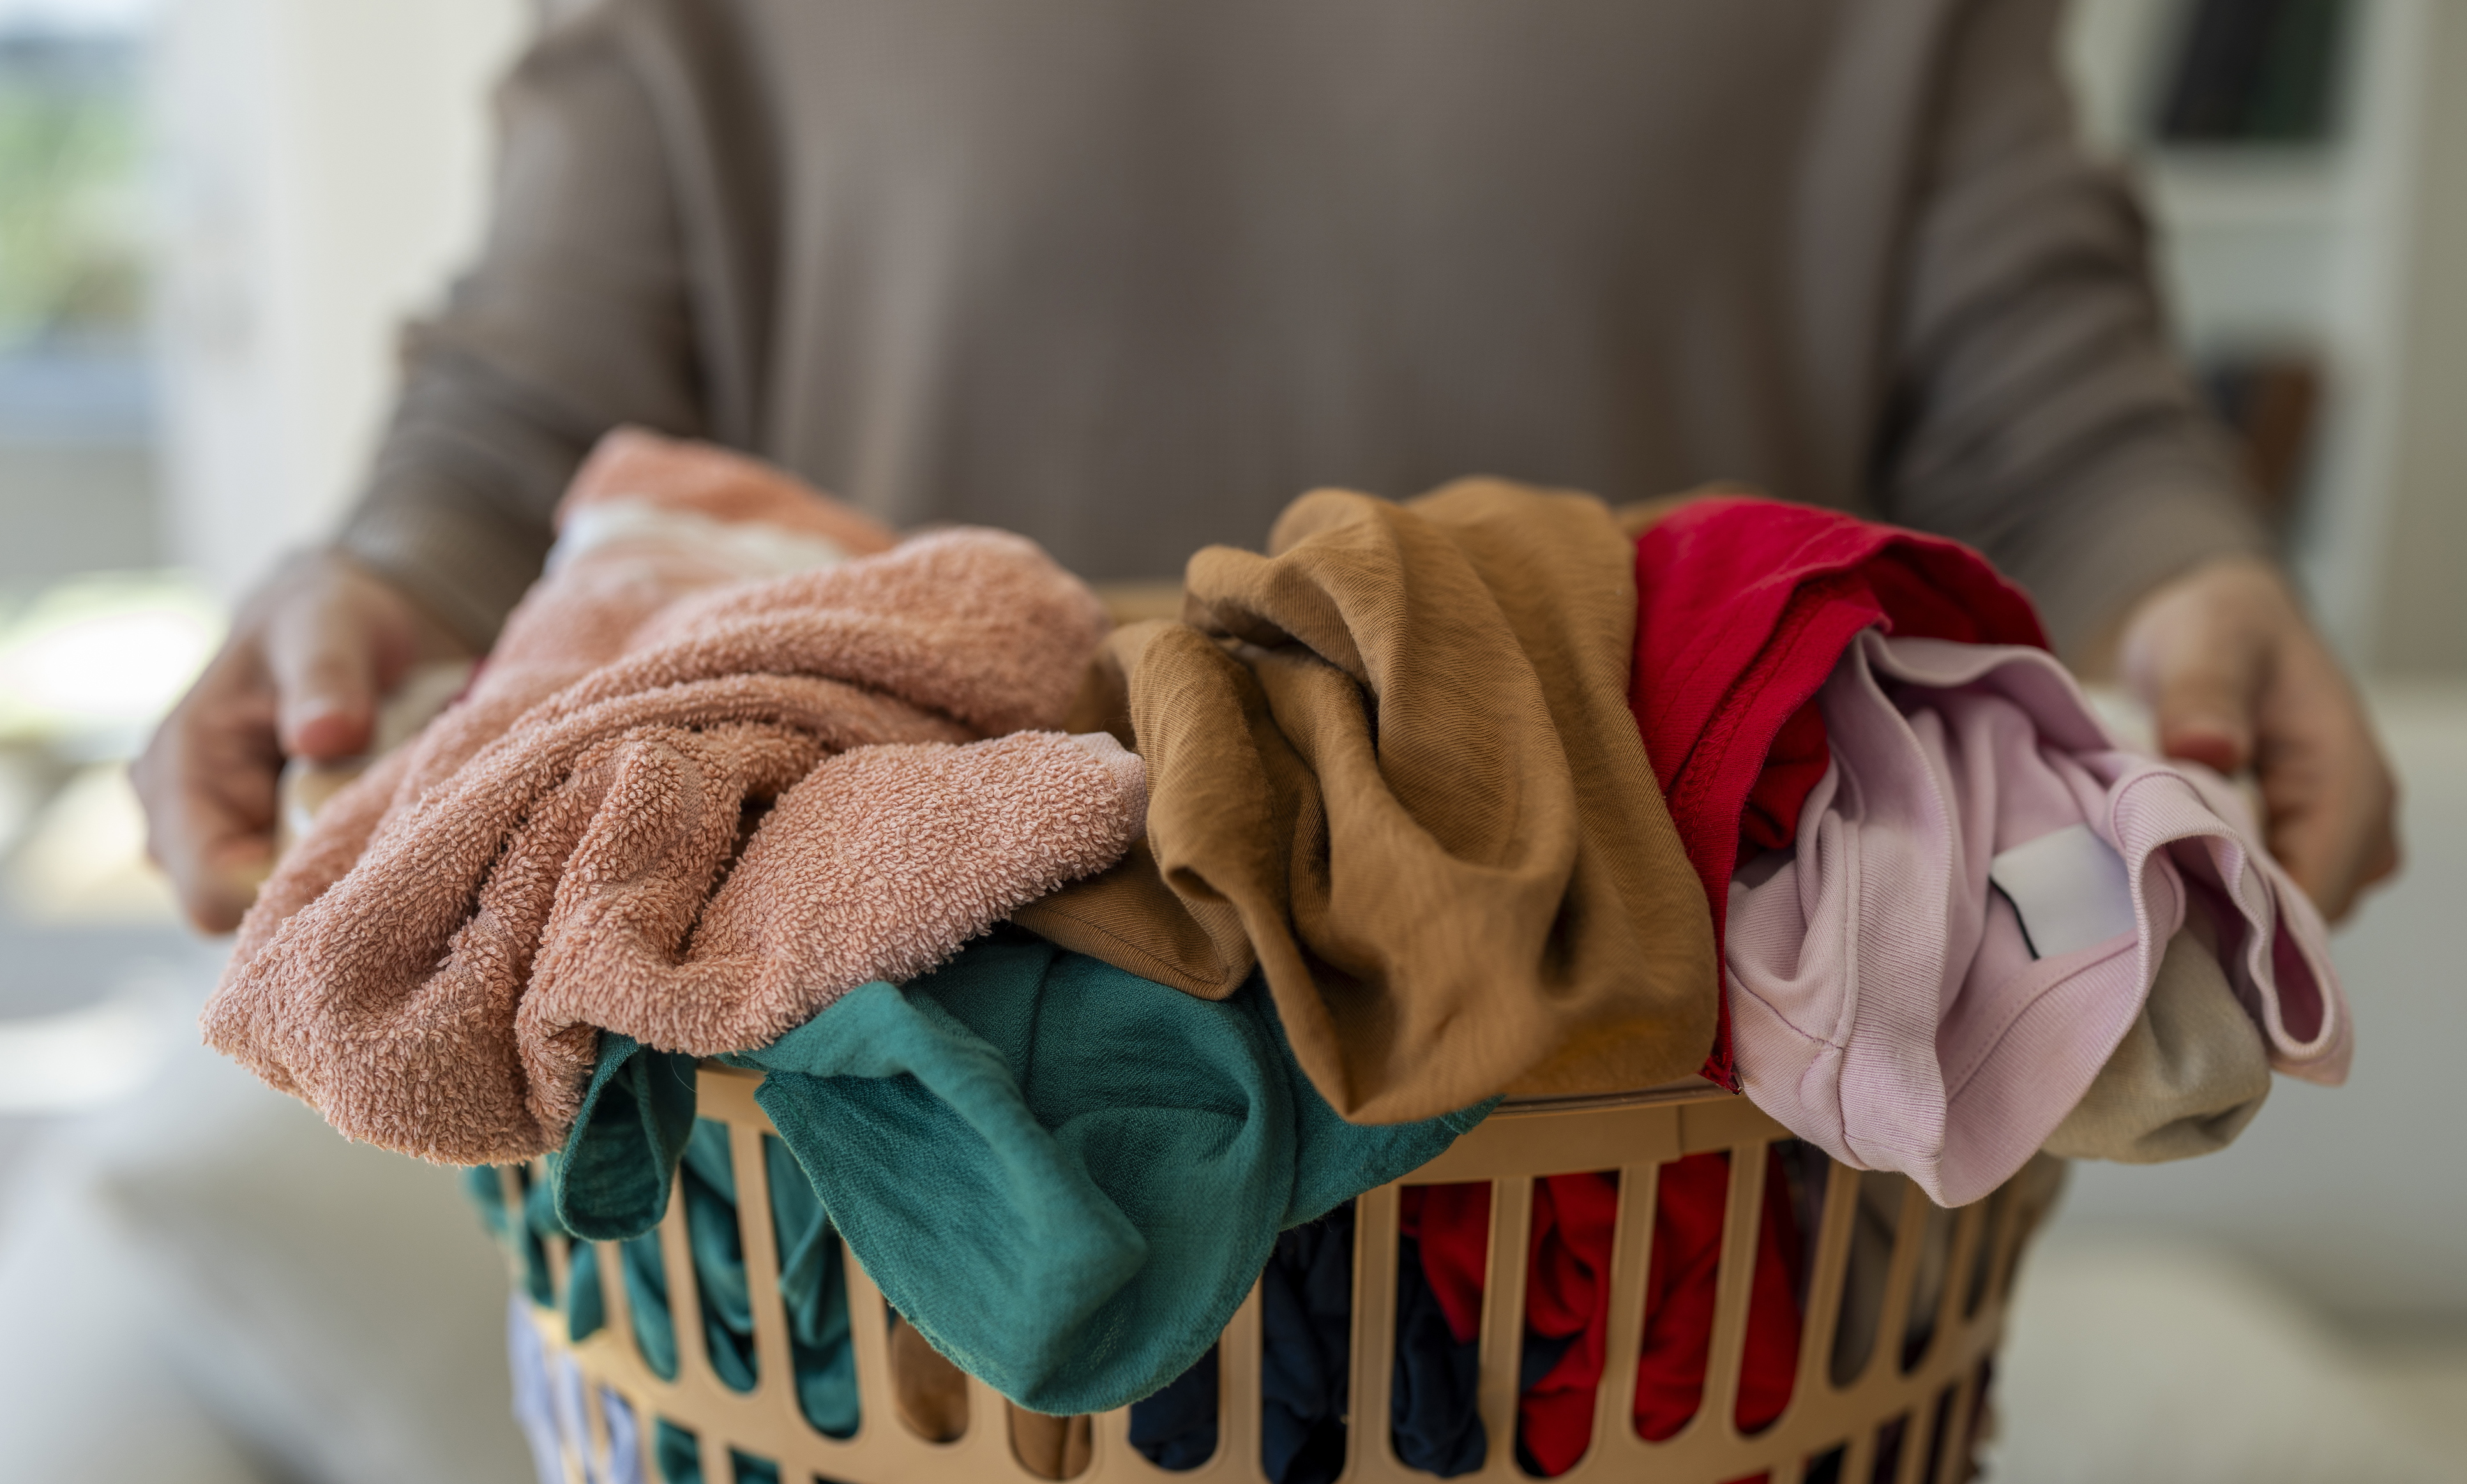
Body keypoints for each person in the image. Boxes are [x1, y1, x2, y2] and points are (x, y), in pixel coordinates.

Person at [135, 0, 2397, 933]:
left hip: (1689, 1182)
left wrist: (2183, 577)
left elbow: (2053, 405)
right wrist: (376, 598)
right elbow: (526, 418)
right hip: (891, 1184)